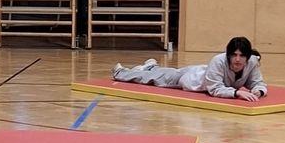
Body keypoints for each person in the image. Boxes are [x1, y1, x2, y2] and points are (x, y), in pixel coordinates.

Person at [112, 36, 268, 101]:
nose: (237, 59)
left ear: (247, 57)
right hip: (191, 80)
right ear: (228, 55)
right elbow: (214, 89)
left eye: (241, 56)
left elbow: (257, 82)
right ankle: (121, 72)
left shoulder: (252, 62)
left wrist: (259, 91)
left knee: (165, 73)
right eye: (234, 55)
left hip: (199, 71)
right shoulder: (218, 61)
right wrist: (236, 93)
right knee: (154, 80)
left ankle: (151, 66)